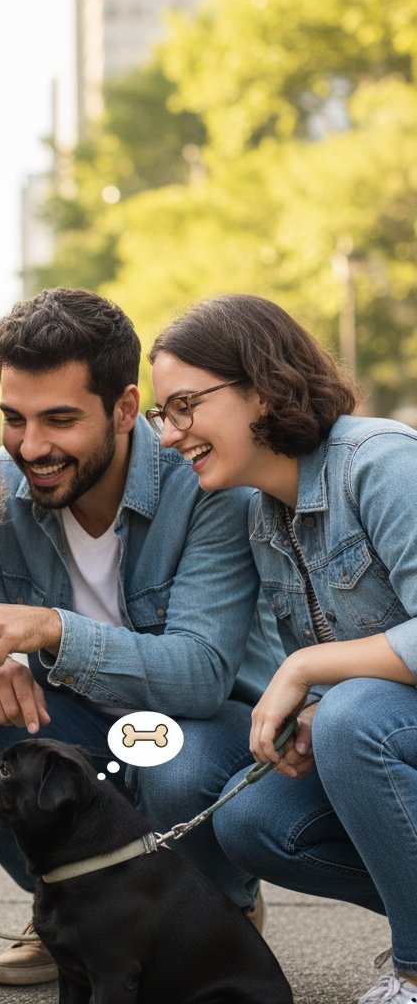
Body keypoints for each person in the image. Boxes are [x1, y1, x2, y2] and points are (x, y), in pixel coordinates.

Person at [0, 287, 281, 987]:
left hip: (199, 728)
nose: (31, 446)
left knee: (174, 766)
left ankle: (213, 910)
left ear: (124, 408)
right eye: (14, 419)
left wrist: (53, 630)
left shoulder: (206, 484)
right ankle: (70, 909)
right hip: (78, 734)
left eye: (60, 419)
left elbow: (202, 674)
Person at [150, 293, 417, 1004]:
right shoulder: (267, 517)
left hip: (386, 726)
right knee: (254, 822)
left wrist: (309, 672)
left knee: (353, 719)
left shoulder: (381, 463)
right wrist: (317, 707)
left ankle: (415, 968)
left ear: (263, 387)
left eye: (185, 407)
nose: (170, 435)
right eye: (161, 415)